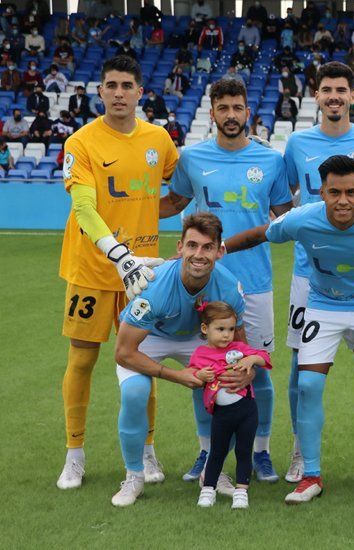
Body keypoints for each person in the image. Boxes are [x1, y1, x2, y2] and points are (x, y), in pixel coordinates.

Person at [227, 155, 354, 506]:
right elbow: (261, 234)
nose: (343, 201)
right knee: (306, 386)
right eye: (334, 192)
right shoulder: (303, 219)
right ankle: (311, 476)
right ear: (320, 192)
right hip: (324, 305)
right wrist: (221, 248)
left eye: (351, 192)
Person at [55, 56, 181, 493]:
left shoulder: (159, 139)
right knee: (83, 359)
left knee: (140, 362)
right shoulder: (82, 142)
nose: (119, 92)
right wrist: (118, 253)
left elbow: (179, 190)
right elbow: (85, 208)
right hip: (92, 270)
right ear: (101, 92)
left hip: (142, 275)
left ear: (140, 92)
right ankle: (75, 454)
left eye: (127, 85)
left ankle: (146, 449)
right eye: (111, 85)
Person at [164, 78, 294, 482]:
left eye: (238, 107)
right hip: (203, 284)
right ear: (213, 111)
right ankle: (207, 452)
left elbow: (283, 216)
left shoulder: (271, 160)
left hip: (254, 283)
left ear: (247, 111)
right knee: (203, 370)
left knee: (259, 370)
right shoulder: (192, 158)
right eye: (224, 108)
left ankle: (261, 451)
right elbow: (177, 204)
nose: (232, 115)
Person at [278, 62, 354, 484]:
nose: (333, 96)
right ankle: (299, 448)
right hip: (308, 277)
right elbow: (282, 196)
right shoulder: (297, 143)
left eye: (341, 90)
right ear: (317, 94)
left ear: (352, 95)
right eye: (326, 89)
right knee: (300, 368)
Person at [111, 213, 250, 506]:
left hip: (199, 339)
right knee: (136, 392)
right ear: (180, 248)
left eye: (207, 247)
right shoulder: (154, 286)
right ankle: (134, 476)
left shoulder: (228, 287)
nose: (199, 255)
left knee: (232, 391)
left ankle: (212, 471)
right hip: (150, 338)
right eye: (192, 246)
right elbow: (123, 352)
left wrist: (245, 371)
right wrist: (176, 375)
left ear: (219, 251)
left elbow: (239, 345)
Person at [190, 301, 272, 509]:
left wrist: (251, 359)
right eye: (220, 329)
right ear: (205, 329)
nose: (227, 335)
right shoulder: (200, 354)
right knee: (216, 451)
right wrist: (199, 375)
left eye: (231, 329)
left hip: (246, 411)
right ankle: (208, 490)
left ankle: (241, 491)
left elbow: (265, 357)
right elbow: (191, 375)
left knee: (243, 451)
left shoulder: (239, 348)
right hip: (221, 414)